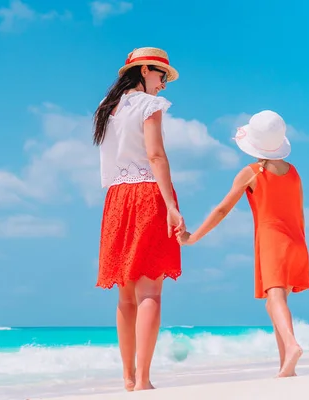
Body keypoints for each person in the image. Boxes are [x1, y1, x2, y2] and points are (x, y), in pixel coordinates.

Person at [177, 110, 309, 378]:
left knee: (274, 299)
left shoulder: (251, 172)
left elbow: (221, 210)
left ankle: (292, 346)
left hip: (272, 240)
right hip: (297, 241)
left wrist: (192, 238)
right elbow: (300, 212)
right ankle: (287, 365)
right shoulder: (293, 172)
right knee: (277, 301)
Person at [93, 47, 185, 391]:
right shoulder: (149, 106)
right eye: (162, 76)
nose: (163, 85)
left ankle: (128, 377)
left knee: (125, 295)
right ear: (145, 70)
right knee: (151, 292)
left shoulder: (108, 108)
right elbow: (155, 155)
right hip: (147, 193)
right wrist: (171, 206)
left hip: (117, 198)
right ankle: (144, 379)